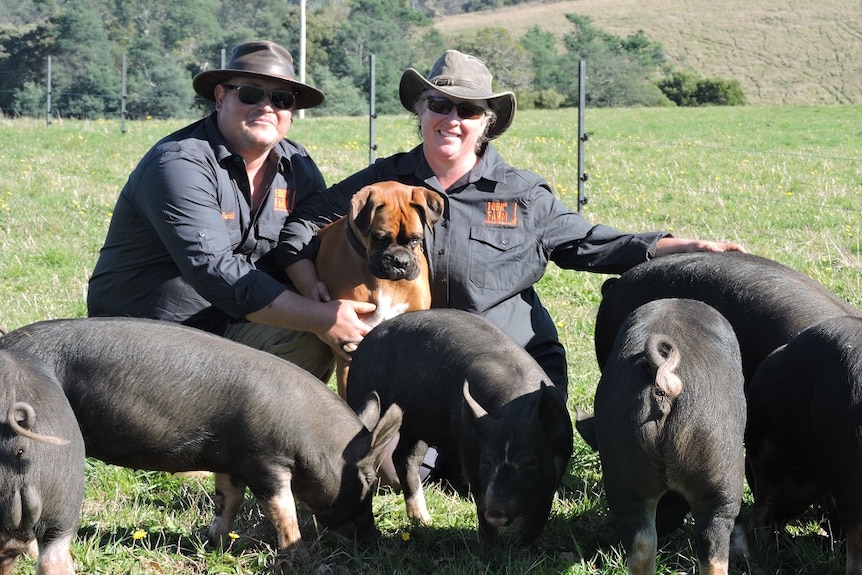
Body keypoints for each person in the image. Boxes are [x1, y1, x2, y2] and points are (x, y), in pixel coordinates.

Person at [278, 49, 746, 393]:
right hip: (422, 367)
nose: (451, 119)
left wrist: (683, 247)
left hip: (508, 362)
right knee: (405, 466)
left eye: (467, 110)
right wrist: (311, 291)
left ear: (487, 123)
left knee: (503, 466)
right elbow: (304, 223)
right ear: (420, 110)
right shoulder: (383, 184)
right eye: (438, 105)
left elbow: (591, 243)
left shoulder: (521, 194)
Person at [87, 41, 374, 381]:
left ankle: (250, 431)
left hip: (231, 323)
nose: (267, 107)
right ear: (221, 97)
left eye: (282, 99)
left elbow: (310, 235)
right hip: (146, 333)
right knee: (309, 335)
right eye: (252, 94)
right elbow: (215, 270)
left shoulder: (296, 166)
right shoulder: (179, 163)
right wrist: (322, 317)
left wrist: (323, 291)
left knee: (303, 344)